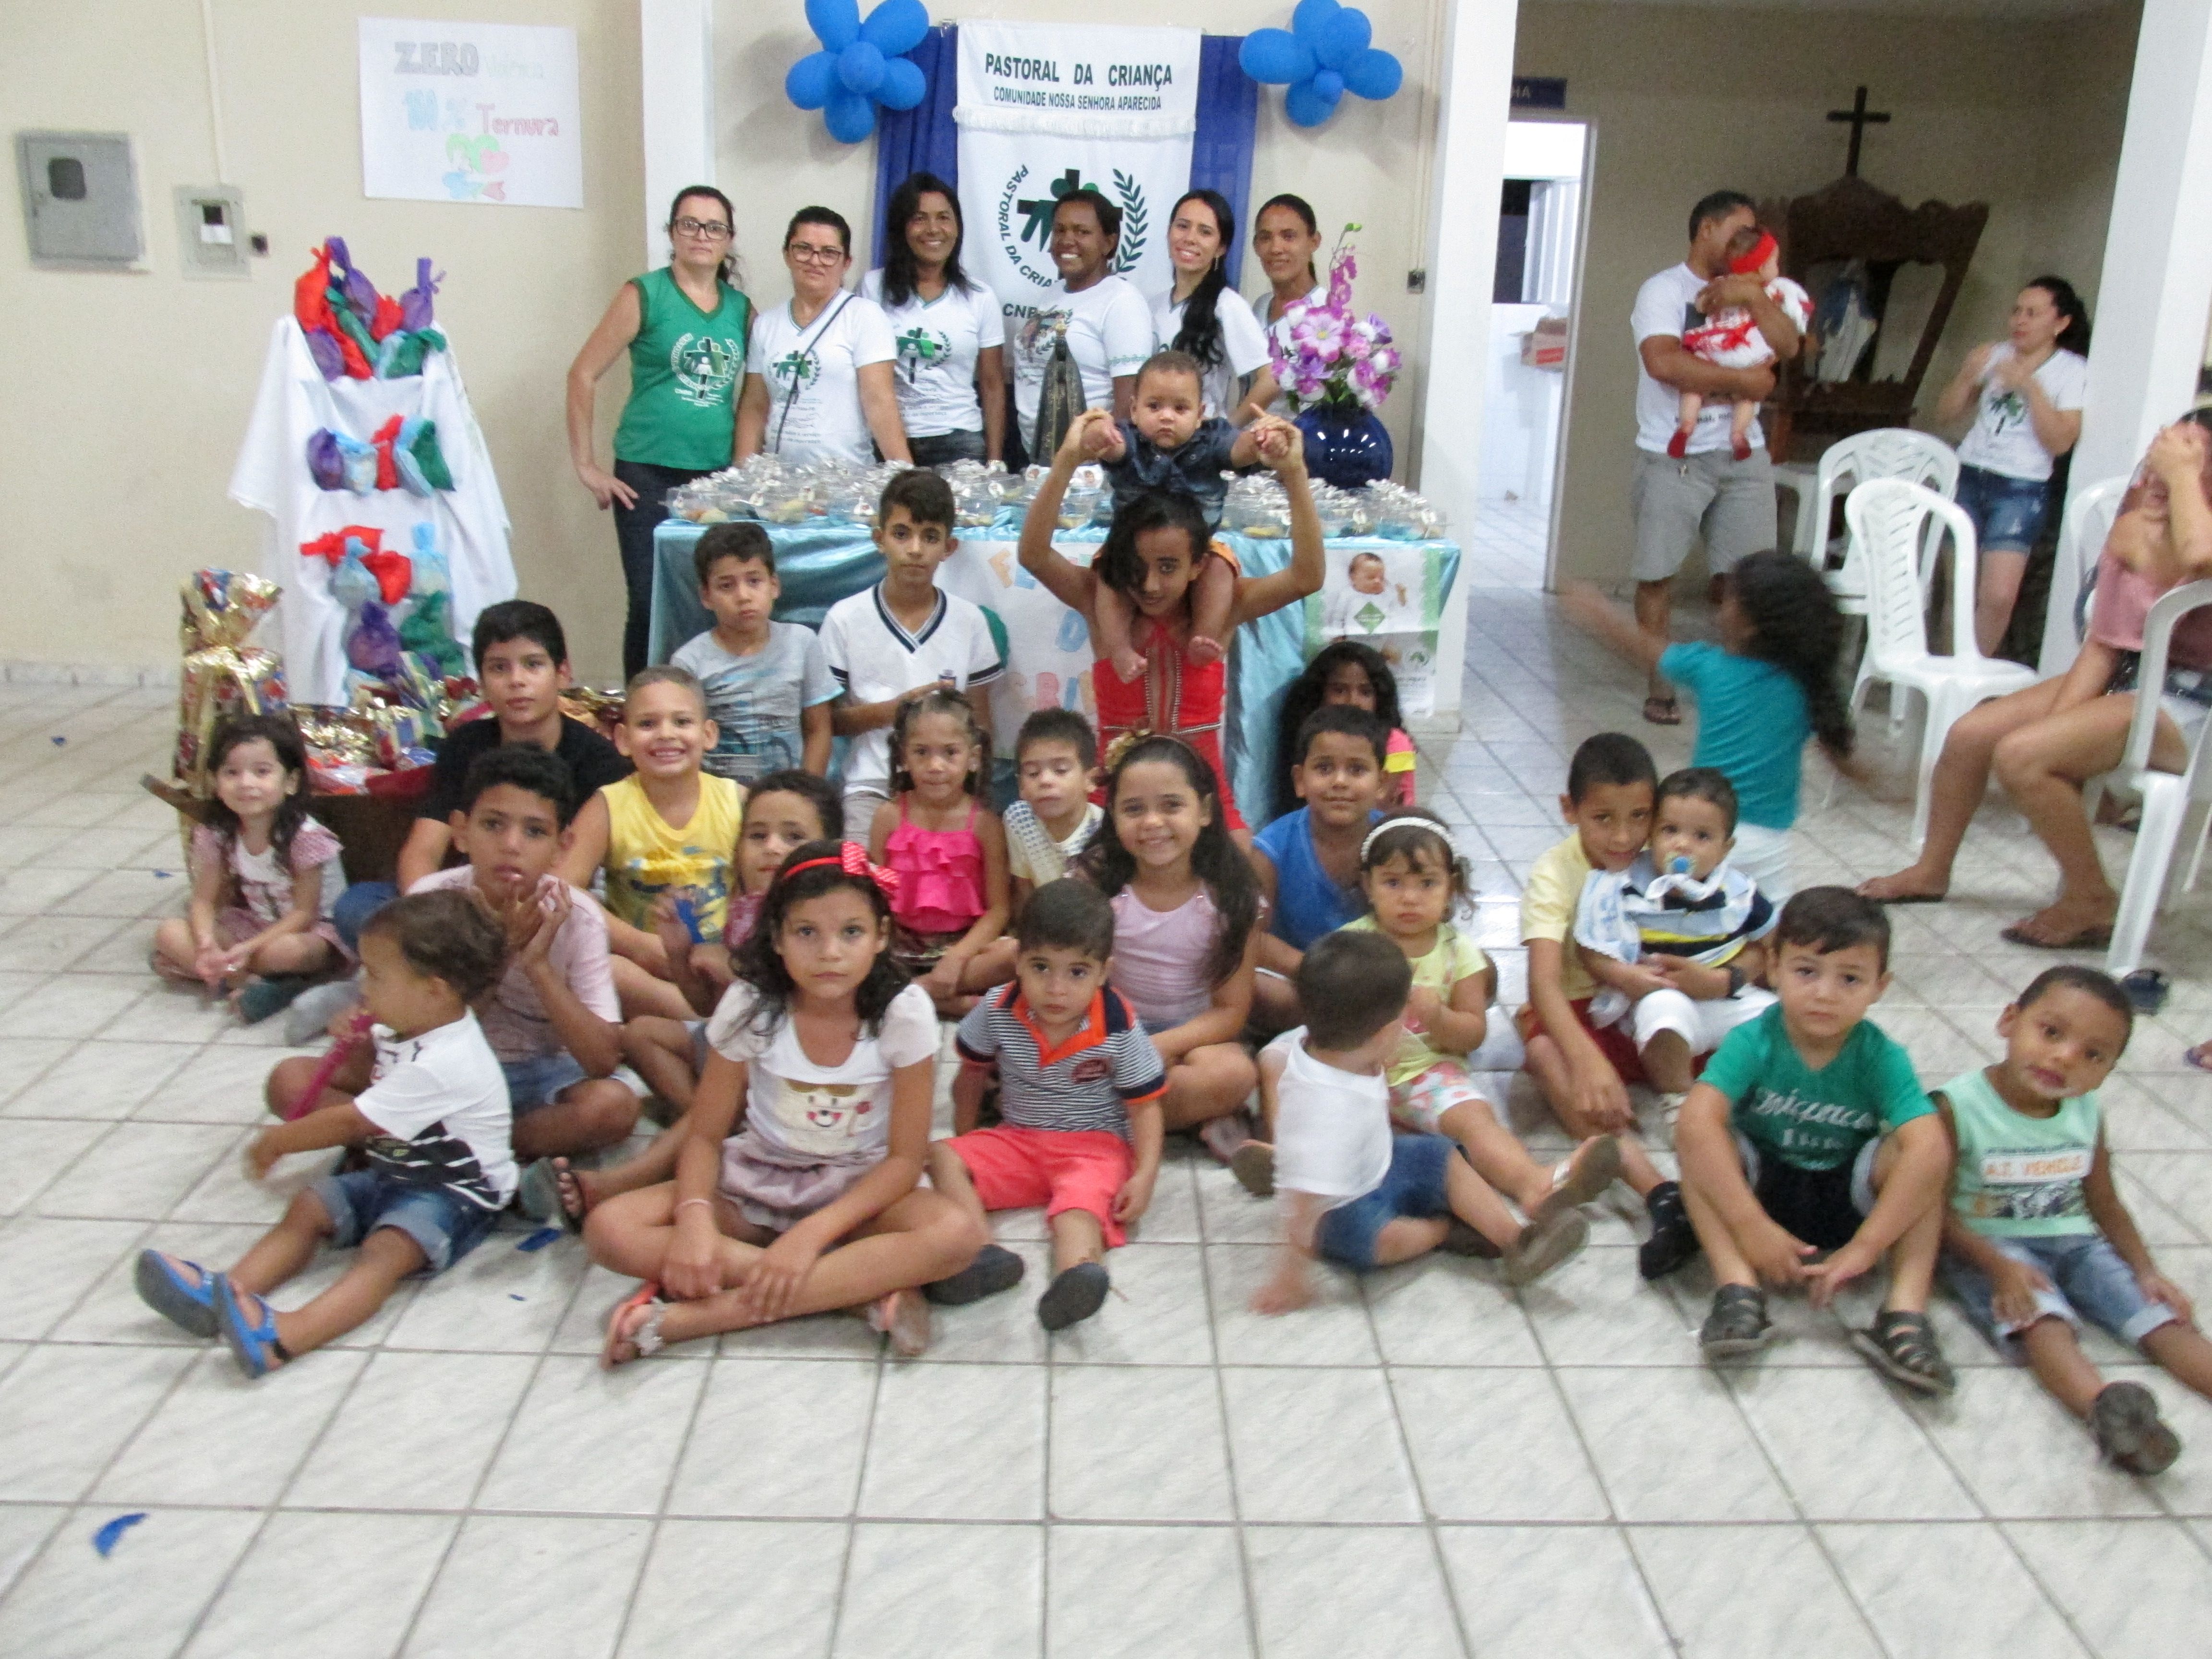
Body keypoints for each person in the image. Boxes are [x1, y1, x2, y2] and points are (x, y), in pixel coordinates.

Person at [586, 841, 988, 1363]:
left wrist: (811, 1236)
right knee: (609, 1229)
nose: (830, 953)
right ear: (776, 937)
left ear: (881, 936)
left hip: (858, 1193)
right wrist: (694, 1222)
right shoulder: (750, 1006)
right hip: (758, 1179)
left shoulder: (904, 1014)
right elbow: (705, 1136)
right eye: (806, 932)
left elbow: (906, 1161)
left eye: (852, 932)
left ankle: (699, 1319)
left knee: (955, 1235)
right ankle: (850, 1291)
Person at [1859, 415, 2212, 948]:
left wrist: (2185, 476)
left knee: (2025, 757)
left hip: (2193, 702)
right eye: (2159, 463)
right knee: (1973, 734)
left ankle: (2092, 898)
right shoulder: (2135, 525)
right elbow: (2103, 644)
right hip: (2130, 678)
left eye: (2185, 465)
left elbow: (2201, 556)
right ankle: (1932, 869)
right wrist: (2060, 723)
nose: (2159, 477)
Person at [136, 890, 511, 1377]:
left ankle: (287, 1337)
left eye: (375, 976)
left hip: (457, 1193)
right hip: (396, 1171)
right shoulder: (408, 1026)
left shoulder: (446, 1061)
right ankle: (225, 1294)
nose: (364, 988)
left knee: (384, 1253)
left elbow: (354, 1121)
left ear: (434, 990)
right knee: (309, 1207)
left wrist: (280, 1140)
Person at [1239, 811, 1619, 1221]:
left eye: (1427, 883)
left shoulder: (1460, 954)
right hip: (1353, 1067)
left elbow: (1473, 1033)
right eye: (1393, 882)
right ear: (1368, 885)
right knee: (1277, 1057)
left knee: (1476, 1121)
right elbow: (1322, 1010)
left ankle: (1536, 1184)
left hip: (1429, 1075)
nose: (1410, 897)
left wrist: (1438, 1016)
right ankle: (1286, 1153)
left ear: (1451, 887)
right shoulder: (1351, 943)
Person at [1674, 888, 1956, 1395]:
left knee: (1926, 1160)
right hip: (1763, 1188)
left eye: (1849, 978)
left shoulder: (1880, 1056)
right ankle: (1737, 1289)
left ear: (1880, 987)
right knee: (1699, 1142)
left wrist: (1868, 1247)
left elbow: (1929, 1149)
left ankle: (1904, 1313)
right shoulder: (1753, 1039)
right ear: (1774, 969)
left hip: (1847, 1194)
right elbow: (1696, 1122)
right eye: (1807, 972)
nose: (1825, 993)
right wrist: (1749, 1224)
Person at [1937, 966, 2212, 1473]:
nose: (2065, 1058)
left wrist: (2147, 1272)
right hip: (1994, 1247)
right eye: (2051, 1033)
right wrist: (1998, 1267)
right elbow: (1932, 1208)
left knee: (2162, 1320)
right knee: (2043, 1322)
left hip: (2076, 1241)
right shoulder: (1958, 1106)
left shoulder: (2085, 1111)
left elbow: (2105, 1201)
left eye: (2093, 1055)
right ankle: (2107, 1414)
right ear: (2009, 1021)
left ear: (2108, 1071)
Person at [1250, 931, 1589, 1315]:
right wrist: (1290, 1278)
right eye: (1402, 1020)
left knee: (1440, 1155)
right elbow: (1303, 1201)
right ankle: (1444, 1231)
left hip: (1377, 1161)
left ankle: (1519, 1240)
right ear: (1380, 1035)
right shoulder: (1325, 1112)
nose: (1407, 1025)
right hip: (1337, 1209)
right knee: (1376, 1240)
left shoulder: (1335, 1048)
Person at [1019, 408, 1321, 834]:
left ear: (1197, 566)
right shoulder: (1098, 601)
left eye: (1167, 567)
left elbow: (1308, 576)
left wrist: (1294, 473)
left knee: (1250, 872)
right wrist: (1068, 457)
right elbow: (1033, 554)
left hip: (1203, 801)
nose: (1151, 585)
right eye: (1137, 567)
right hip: (1113, 803)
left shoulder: (1223, 608)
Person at [563, 772, 842, 1229]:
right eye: (758, 835)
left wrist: (731, 971)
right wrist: (679, 955)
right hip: (731, 1047)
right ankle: (709, 1123)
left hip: (785, 1064)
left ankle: (630, 1177)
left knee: (727, 1086)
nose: (772, 848)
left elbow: (795, 1004)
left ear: (826, 850)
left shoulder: (824, 920)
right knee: (641, 1034)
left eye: (793, 837)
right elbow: (709, 1006)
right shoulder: (747, 909)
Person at [384, 749, 637, 1207]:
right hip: (444, 1072)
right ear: (461, 831)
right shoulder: (432, 902)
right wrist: (501, 954)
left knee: (614, 1107)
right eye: (493, 825)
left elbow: (602, 1060)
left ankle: (456, 1149)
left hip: (539, 1077)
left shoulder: (577, 919)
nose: (512, 845)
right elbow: (412, 1031)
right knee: (294, 1081)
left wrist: (536, 963)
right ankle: (463, 1155)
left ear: (563, 847)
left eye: (535, 831)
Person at [928, 879, 1168, 1331]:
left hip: (1093, 1148)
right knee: (940, 1155)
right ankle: (979, 1253)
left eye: (1077, 972)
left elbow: (1145, 1105)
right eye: (1041, 967)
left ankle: (1076, 1274)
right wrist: (967, 1140)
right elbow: (971, 1076)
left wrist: (1146, 1173)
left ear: (1103, 972)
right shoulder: (998, 1008)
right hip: (1018, 1140)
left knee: (1079, 1208)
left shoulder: (1119, 1024)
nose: (1056, 989)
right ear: (1017, 961)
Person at [328, 601, 630, 959]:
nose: (517, 681)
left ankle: (438, 969)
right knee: (357, 908)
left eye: (533, 665)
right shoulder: (467, 744)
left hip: (548, 906)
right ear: (482, 682)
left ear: (563, 673)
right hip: (464, 902)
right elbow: (424, 849)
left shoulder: (600, 762)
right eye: (499, 668)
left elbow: (569, 877)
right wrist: (433, 917)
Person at [1562, 549, 1854, 904]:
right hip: (1769, 841)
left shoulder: (1711, 668)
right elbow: (1842, 756)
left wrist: (1599, 612)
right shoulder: (1808, 685)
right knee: (1766, 928)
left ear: (1749, 622)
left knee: (1685, 918)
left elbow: (1642, 647)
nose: (1719, 603)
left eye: (1730, 597)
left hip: (1700, 831)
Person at [1517, 733, 1693, 1276]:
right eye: (1603, 819)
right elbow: (1543, 984)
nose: (1623, 837)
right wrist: (1588, 1062)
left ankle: (1724, 1165)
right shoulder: (1555, 873)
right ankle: (1661, 1195)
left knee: (1731, 1047)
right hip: (1572, 1011)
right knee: (1547, 1055)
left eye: (1640, 817)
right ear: (1570, 810)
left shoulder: (1661, 860)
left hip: (1639, 1010)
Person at [1629, 190, 1802, 727]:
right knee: (1658, 576)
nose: (1748, 242)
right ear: (1707, 228)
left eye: (1757, 235)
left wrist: (1753, 296)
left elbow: (1786, 347)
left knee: (1749, 582)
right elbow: (1663, 363)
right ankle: (1661, 685)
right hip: (1672, 455)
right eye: (1739, 230)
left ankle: (1741, 689)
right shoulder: (1663, 290)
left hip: (1743, 454)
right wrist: (1746, 381)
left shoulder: (1763, 291)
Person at [567, 185, 753, 678]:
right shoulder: (644, 294)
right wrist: (586, 466)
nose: (701, 235)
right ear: (672, 232)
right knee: (650, 602)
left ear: (728, 239)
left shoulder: (741, 309)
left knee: (711, 602)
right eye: (689, 224)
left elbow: (763, 389)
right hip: (646, 473)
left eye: (714, 227)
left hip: (716, 479)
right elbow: (582, 374)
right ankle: (641, 713)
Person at [1073, 735, 1263, 1156]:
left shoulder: (1231, 896)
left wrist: (1159, 1048)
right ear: (1113, 815)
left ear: (1206, 811)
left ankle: (1097, 1121)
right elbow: (1072, 975)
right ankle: (1184, 1118)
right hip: (1108, 1029)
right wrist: (1119, 1045)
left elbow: (1230, 1012)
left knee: (1233, 1075)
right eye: (1134, 809)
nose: (1152, 823)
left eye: (1172, 806)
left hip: (1193, 1039)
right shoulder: (1096, 882)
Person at [1574, 768, 1778, 1114]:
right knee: (1662, 1014)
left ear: (1726, 848)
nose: (1682, 844)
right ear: (1652, 834)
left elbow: (1773, 946)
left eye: (1702, 836)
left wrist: (1726, 980)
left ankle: (1762, 1099)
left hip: (1723, 995)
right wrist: (1624, 977)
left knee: (1778, 1019)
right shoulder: (1624, 886)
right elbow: (1591, 948)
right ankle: (1679, 1100)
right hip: (1659, 995)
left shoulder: (1738, 892)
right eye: (1670, 830)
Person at [822, 468, 1003, 831]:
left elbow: (981, 725)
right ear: (880, 539)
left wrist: (978, 797)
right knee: (861, 883)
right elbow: (830, 723)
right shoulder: (844, 618)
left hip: (949, 789)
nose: (916, 550)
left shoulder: (969, 622)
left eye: (930, 536)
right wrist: (897, 712)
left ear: (949, 548)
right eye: (902, 534)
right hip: (871, 787)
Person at [560, 666, 745, 1013]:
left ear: (709, 734)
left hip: (726, 966)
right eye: (647, 724)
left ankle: (712, 1014)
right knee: (610, 970)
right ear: (622, 739)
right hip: (649, 969)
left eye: (682, 722)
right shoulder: (608, 806)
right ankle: (704, 1017)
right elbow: (562, 889)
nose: (666, 735)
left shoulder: (737, 801)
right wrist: (636, 944)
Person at [1081, 357, 1269, 683]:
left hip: (1196, 548)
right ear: (1134, 409)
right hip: (1130, 547)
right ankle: (1119, 647)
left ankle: (1204, 637)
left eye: (1180, 409)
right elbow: (1111, 445)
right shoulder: (1129, 439)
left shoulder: (1213, 439)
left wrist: (1259, 442)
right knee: (1108, 576)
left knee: (1220, 569)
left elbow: (1238, 451)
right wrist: (1098, 434)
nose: (1166, 416)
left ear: (1200, 415)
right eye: (1154, 406)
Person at [152, 713, 349, 1023]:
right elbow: (203, 900)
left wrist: (247, 949)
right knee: (169, 933)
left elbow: (304, 914)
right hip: (254, 924)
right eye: (232, 773)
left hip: (308, 932)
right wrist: (206, 942)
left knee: (289, 953)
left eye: (262, 772)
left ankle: (233, 976)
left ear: (291, 782)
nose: (246, 784)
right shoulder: (217, 834)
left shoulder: (305, 837)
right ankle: (247, 981)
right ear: (216, 782)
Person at [1935, 277, 2091, 654]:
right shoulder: (1994, 355)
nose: (2020, 320)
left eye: (2033, 313)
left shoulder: (2073, 371)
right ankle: (1948, 675)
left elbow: (2061, 441)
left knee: (1999, 596)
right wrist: (1967, 374)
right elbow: (1945, 415)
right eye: (2017, 311)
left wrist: (2030, 387)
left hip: (2021, 488)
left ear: (2060, 323)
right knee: (1957, 588)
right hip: (1971, 474)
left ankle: (1973, 676)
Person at [867, 687, 1010, 1016]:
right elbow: (870, 896)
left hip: (962, 952)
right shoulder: (888, 816)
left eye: (950, 753)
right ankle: (951, 1002)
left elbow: (999, 910)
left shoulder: (985, 823)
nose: (935, 765)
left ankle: (915, 995)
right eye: (921, 752)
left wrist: (957, 957)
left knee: (1014, 955)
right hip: (897, 950)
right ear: (903, 757)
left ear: (973, 758)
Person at [736, 207, 911, 468]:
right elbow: (755, 407)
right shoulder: (766, 325)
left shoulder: (865, 316)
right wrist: (741, 475)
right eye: (804, 249)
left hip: (847, 478)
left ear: (847, 262)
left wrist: (904, 473)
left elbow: (880, 402)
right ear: (787, 254)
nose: (815, 261)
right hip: (779, 483)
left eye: (829, 253)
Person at [1250, 707, 1390, 1031]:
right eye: (1325, 768)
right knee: (1259, 990)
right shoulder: (1271, 849)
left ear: (1381, 783)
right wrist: (1320, 972)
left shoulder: (1394, 841)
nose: (1339, 782)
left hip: (1377, 974)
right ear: (1300, 780)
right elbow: (1252, 938)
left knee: (1477, 974)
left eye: (1357, 770)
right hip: (1301, 979)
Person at [671, 522, 836, 784]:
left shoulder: (802, 643)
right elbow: (687, 744)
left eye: (754, 581)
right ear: (706, 596)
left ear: (774, 586)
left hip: (790, 796)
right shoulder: (689, 662)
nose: (744, 596)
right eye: (727, 586)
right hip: (721, 802)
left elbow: (819, 730)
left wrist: (805, 793)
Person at [861, 172, 1006, 467]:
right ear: (901, 227)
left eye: (944, 218)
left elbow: (992, 384)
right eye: (919, 218)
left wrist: (995, 462)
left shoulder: (981, 297)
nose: (933, 229)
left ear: (957, 227)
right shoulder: (873, 288)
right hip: (889, 438)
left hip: (959, 441)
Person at [1006, 188, 1154, 468]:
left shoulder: (1122, 301)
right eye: (1059, 230)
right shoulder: (1051, 295)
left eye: (1082, 232)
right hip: (1040, 459)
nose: (1067, 240)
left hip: (1088, 468)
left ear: (1108, 243)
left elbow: (1130, 401)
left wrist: (1109, 463)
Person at [1671, 225, 1812, 463]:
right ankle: (1738, 434)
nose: (1777, 269)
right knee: (1748, 396)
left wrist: (1708, 303)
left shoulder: (1723, 283)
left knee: (1693, 389)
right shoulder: (1775, 290)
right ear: (1761, 267)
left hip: (1719, 348)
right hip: (1748, 352)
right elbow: (1795, 314)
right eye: (1774, 262)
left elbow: (1702, 303)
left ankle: (1685, 427)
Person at [1152, 189, 1278, 424]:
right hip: (1152, 439)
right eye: (1182, 226)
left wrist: (1226, 432)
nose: (1190, 238)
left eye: (1205, 232)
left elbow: (1270, 379)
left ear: (1221, 248)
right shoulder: (1153, 305)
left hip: (1197, 445)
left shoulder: (1227, 305)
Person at [1273, 639, 1415, 817]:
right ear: (1319, 694)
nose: (1353, 701)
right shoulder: (1311, 737)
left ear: (1379, 697)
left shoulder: (1395, 742)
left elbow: (1374, 807)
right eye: (1339, 691)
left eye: (1365, 692)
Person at [1247, 194, 1326, 417]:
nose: (1276, 248)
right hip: (1251, 441)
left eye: (1289, 236)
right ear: (1255, 246)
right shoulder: (1260, 307)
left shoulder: (1329, 313)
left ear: (1314, 242)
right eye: (1265, 238)